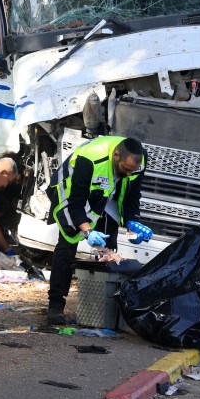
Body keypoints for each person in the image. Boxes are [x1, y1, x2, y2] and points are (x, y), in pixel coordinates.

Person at [45, 136, 153, 325]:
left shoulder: (139, 161)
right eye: (126, 169)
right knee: (68, 241)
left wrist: (132, 222)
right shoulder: (89, 159)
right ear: (116, 155)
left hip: (106, 191)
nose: (129, 174)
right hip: (72, 190)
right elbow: (75, 203)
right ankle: (55, 306)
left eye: (132, 171)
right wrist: (87, 231)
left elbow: (132, 196)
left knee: (108, 251)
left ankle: (102, 310)